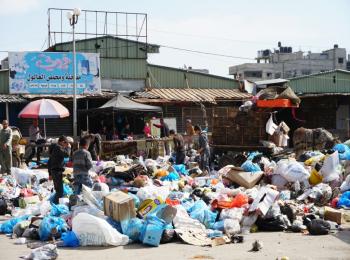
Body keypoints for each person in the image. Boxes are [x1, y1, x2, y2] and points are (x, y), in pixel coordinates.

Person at [48, 136, 71, 204]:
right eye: (65, 143)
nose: (66, 145)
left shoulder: (55, 148)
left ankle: (55, 204)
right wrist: (69, 147)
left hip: (55, 171)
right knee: (60, 191)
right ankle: (55, 205)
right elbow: (67, 154)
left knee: (58, 190)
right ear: (62, 142)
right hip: (56, 171)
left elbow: (49, 162)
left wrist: (50, 173)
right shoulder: (58, 147)